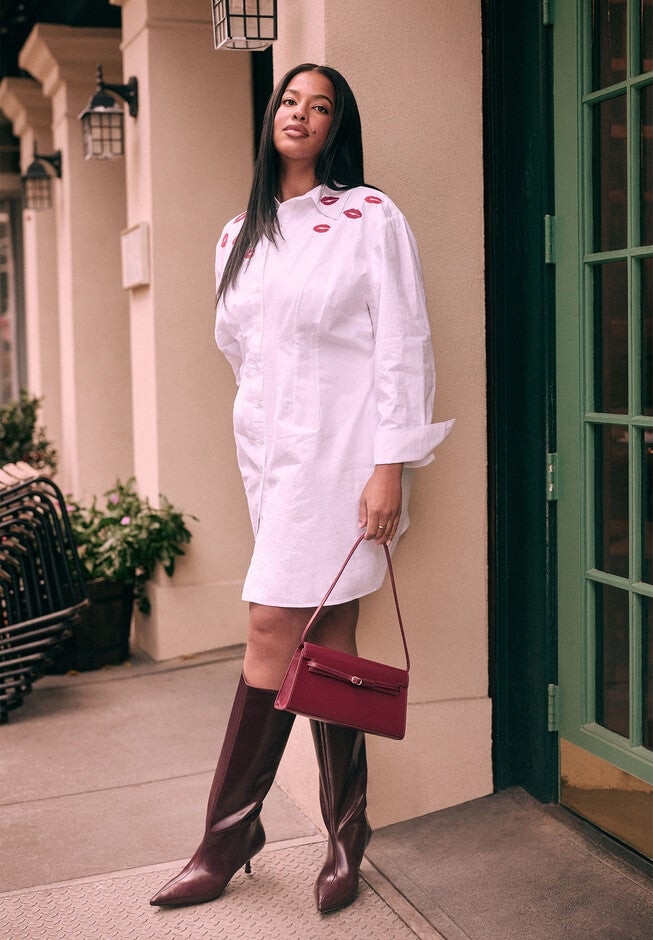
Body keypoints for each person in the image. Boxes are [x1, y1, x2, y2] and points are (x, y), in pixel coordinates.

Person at [150, 63, 453, 914]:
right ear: (271, 115)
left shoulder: (368, 217)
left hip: (343, 459)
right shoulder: (235, 236)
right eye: (289, 100)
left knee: (270, 630)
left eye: (320, 107)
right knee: (330, 637)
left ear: (335, 128)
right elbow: (246, 358)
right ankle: (345, 832)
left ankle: (224, 838)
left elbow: (402, 341)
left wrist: (389, 465)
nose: (300, 114)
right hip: (271, 461)